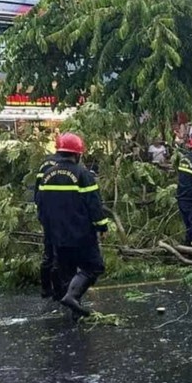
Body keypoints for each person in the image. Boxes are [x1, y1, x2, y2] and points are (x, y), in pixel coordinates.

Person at [37, 133, 109, 316]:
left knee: (67, 271)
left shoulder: (46, 174)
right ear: (77, 154)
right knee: (93, 267)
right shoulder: (82, 174)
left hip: (56, 233)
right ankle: (73, 297)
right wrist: (102, 226)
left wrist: (48, 227)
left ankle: (74, 309)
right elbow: (93, 204)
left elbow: (40, 203)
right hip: (81, 232)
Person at [35, 146, 63, 299]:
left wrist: (41, 213)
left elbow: (38, 192)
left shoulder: (45, 164)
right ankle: (59, 291)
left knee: (48, 252)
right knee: (60, 253)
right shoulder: (68, 167)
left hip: (46, 214)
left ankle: (46, 289)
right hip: (61, 216)